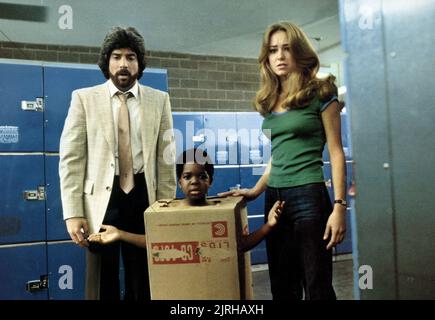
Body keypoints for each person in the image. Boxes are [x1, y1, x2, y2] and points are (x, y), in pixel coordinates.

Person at [219, 21, 347, 300]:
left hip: (309, 197)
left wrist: (339, 206)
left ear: (299, 53)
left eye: (286, 49)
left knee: (317, 285)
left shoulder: (322, 92)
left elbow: (336, 151)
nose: (279, 56)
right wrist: (255, 191)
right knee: (282, 286)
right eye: (273, 50)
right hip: (275, 199)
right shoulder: (270, 101)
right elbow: (279, 156)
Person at [59, 26, 176, 300]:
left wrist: (167, 208)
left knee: (143, 279)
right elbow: (71, 159)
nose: (124, 64)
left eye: (131, 57)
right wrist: (73, 212)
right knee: (101, 283)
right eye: (117, 56)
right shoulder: (84, 99)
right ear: (106, 61)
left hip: (143, 197)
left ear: (139, 63)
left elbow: (166, 160)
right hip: (100, 201)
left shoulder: (160, 101)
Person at [88, 148, 284, 253]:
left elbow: (241, 244)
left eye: (202, 176)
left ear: (211, 181)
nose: (195, 182)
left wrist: (269, 225)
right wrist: (120, 234)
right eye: (188, 176)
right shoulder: (171, 213)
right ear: (179, 182)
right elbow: (155, 244)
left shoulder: (221, 212)